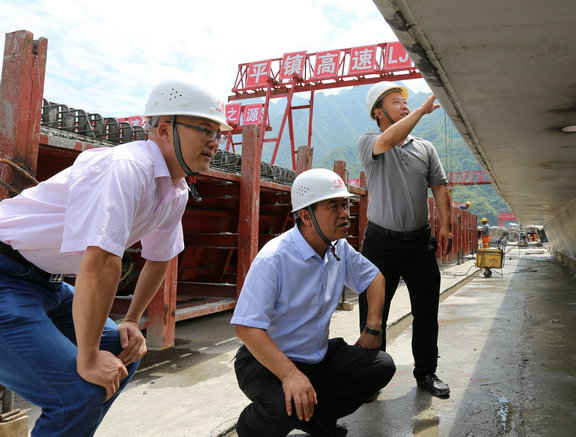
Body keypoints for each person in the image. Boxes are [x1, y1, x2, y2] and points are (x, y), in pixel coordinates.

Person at [0, 80, 231, 436]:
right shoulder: (127, 167)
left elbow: (160, 257)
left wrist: (132, 320)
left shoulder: (176, 190)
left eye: (218, 133)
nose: (214, 142)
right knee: (75, 395)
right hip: (6, 276)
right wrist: (88, 356)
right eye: (205, 129)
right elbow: (100, 262)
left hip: (47, 285)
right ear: (165, 130)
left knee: (123, 350)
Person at [231, 168, 395, 437]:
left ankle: (317, 421)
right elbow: (246, 327)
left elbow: (374, 278)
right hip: (267, 362)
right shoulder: (275, 258)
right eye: (333, 206)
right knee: (282, 407)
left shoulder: (338, 247)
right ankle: (249, 429)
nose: (345, 213)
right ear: (306, 216)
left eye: (345, 204)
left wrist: (373, 328)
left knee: (380, 366)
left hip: (316, 357)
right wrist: (289, 374)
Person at [357, 81, 453, 398]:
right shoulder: (369, 142)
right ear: (378, 112)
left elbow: (439, 186)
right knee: (374, 312)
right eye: (395, 102)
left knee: (426, 310)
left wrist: (446, 224)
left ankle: (426, 373)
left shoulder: (425, 148)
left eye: (404, 101)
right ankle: (370, 378)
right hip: (380, 244)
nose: (404, 105)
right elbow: (389, 140)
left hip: (419, 244)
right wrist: (423, 111)